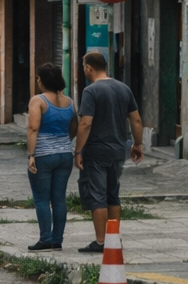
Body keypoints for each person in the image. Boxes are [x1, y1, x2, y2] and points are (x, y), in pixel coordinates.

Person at [73, 51, 144, 254]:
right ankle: (113, 239)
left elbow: (85, 123)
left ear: (89, 68)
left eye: (84, 67)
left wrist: (78, 151)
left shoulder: (91, 91)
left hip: (96, 151)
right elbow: (136, 119)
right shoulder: (123, 88)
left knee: (97, 196)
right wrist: (138, 144)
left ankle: (101, 241)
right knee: (113, 195)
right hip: (118, 151)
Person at [25, 62, 76, 251]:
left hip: (43, 155)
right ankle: (57, 239)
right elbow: (74, 127)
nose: (37, 81)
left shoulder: (38, 101)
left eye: (38, 78)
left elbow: (33, 128)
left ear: (43, 80)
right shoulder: (69, 102)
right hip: (65, 154)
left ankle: (45, 238)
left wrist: (32, 154)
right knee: (59, 199)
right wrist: (63, 142)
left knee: (41, 199)